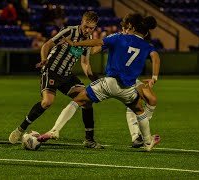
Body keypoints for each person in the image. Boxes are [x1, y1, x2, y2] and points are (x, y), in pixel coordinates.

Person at [38, 13, 161, 151]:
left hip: (110, 83)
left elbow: (97, 42)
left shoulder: (119, 37)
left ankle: (55, 130)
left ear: (131, 27)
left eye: (125, 27)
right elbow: (155, 57)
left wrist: (76, 43)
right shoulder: (146, 46)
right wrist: (154, 77)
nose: (124, 29)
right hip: (128, 88)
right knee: (139, 110)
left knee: (77, 101)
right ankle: (147, 141)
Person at [9, 11, 103, 148]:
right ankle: (21, 129)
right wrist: (43, 60)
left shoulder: (88, 39)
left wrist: (93, 78)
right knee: (47, 102)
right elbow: (47, 45)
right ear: (82, 21)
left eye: (91, 28)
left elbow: (84, 62)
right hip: (51, 70)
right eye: (86, 26)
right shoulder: (69, 31)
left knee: (86, 100)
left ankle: (89, 140)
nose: (88, 30)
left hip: (67, 75)